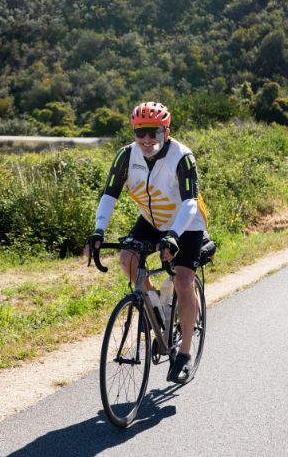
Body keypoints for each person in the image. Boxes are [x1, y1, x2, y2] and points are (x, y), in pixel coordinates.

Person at [85, 101, 207, 384]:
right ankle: (160, 311)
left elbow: (189, 203)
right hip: (152, 221)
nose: (147, 139)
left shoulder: (182, 157)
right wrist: (98, 231)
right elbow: (109, 195)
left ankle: (185, 354)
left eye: (154, 132)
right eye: (141, 133)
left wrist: (174, 236)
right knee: (127, 258)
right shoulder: (126, 157)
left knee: (183, 279)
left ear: (166, 130)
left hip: (186, 224)